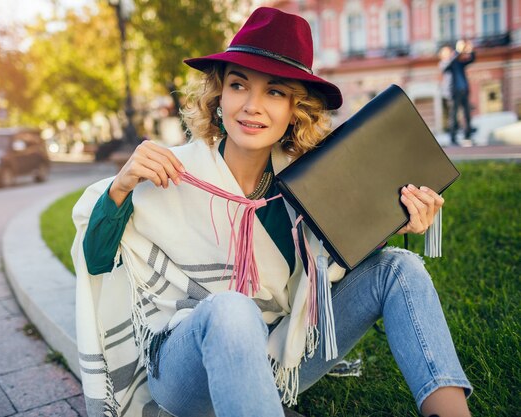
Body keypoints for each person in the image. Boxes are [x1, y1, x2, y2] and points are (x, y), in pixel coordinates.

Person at [72, 7, 472, 417]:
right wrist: (120, 188)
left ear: (296, 109)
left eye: (275, 92)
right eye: (239, 85)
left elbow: (336, 271)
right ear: (219, 95)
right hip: (186, 374)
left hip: (279, 362)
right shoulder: (171, 172)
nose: (252, 105)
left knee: (398, 267)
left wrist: (394, 220)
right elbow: (98, 259)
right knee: (231, 308)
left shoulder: (311, 184)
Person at [439, 40, 476, 145]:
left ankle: (467, 136)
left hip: (464, 91)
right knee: (453, 116)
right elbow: (449, 64)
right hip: (453, 93)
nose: (449, 53)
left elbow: (471, 59)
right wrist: (458, 51)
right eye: (446, 52)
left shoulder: (458, 63)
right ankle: (453, 138)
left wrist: (470, 50)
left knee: (467, 114)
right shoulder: (444, 64)